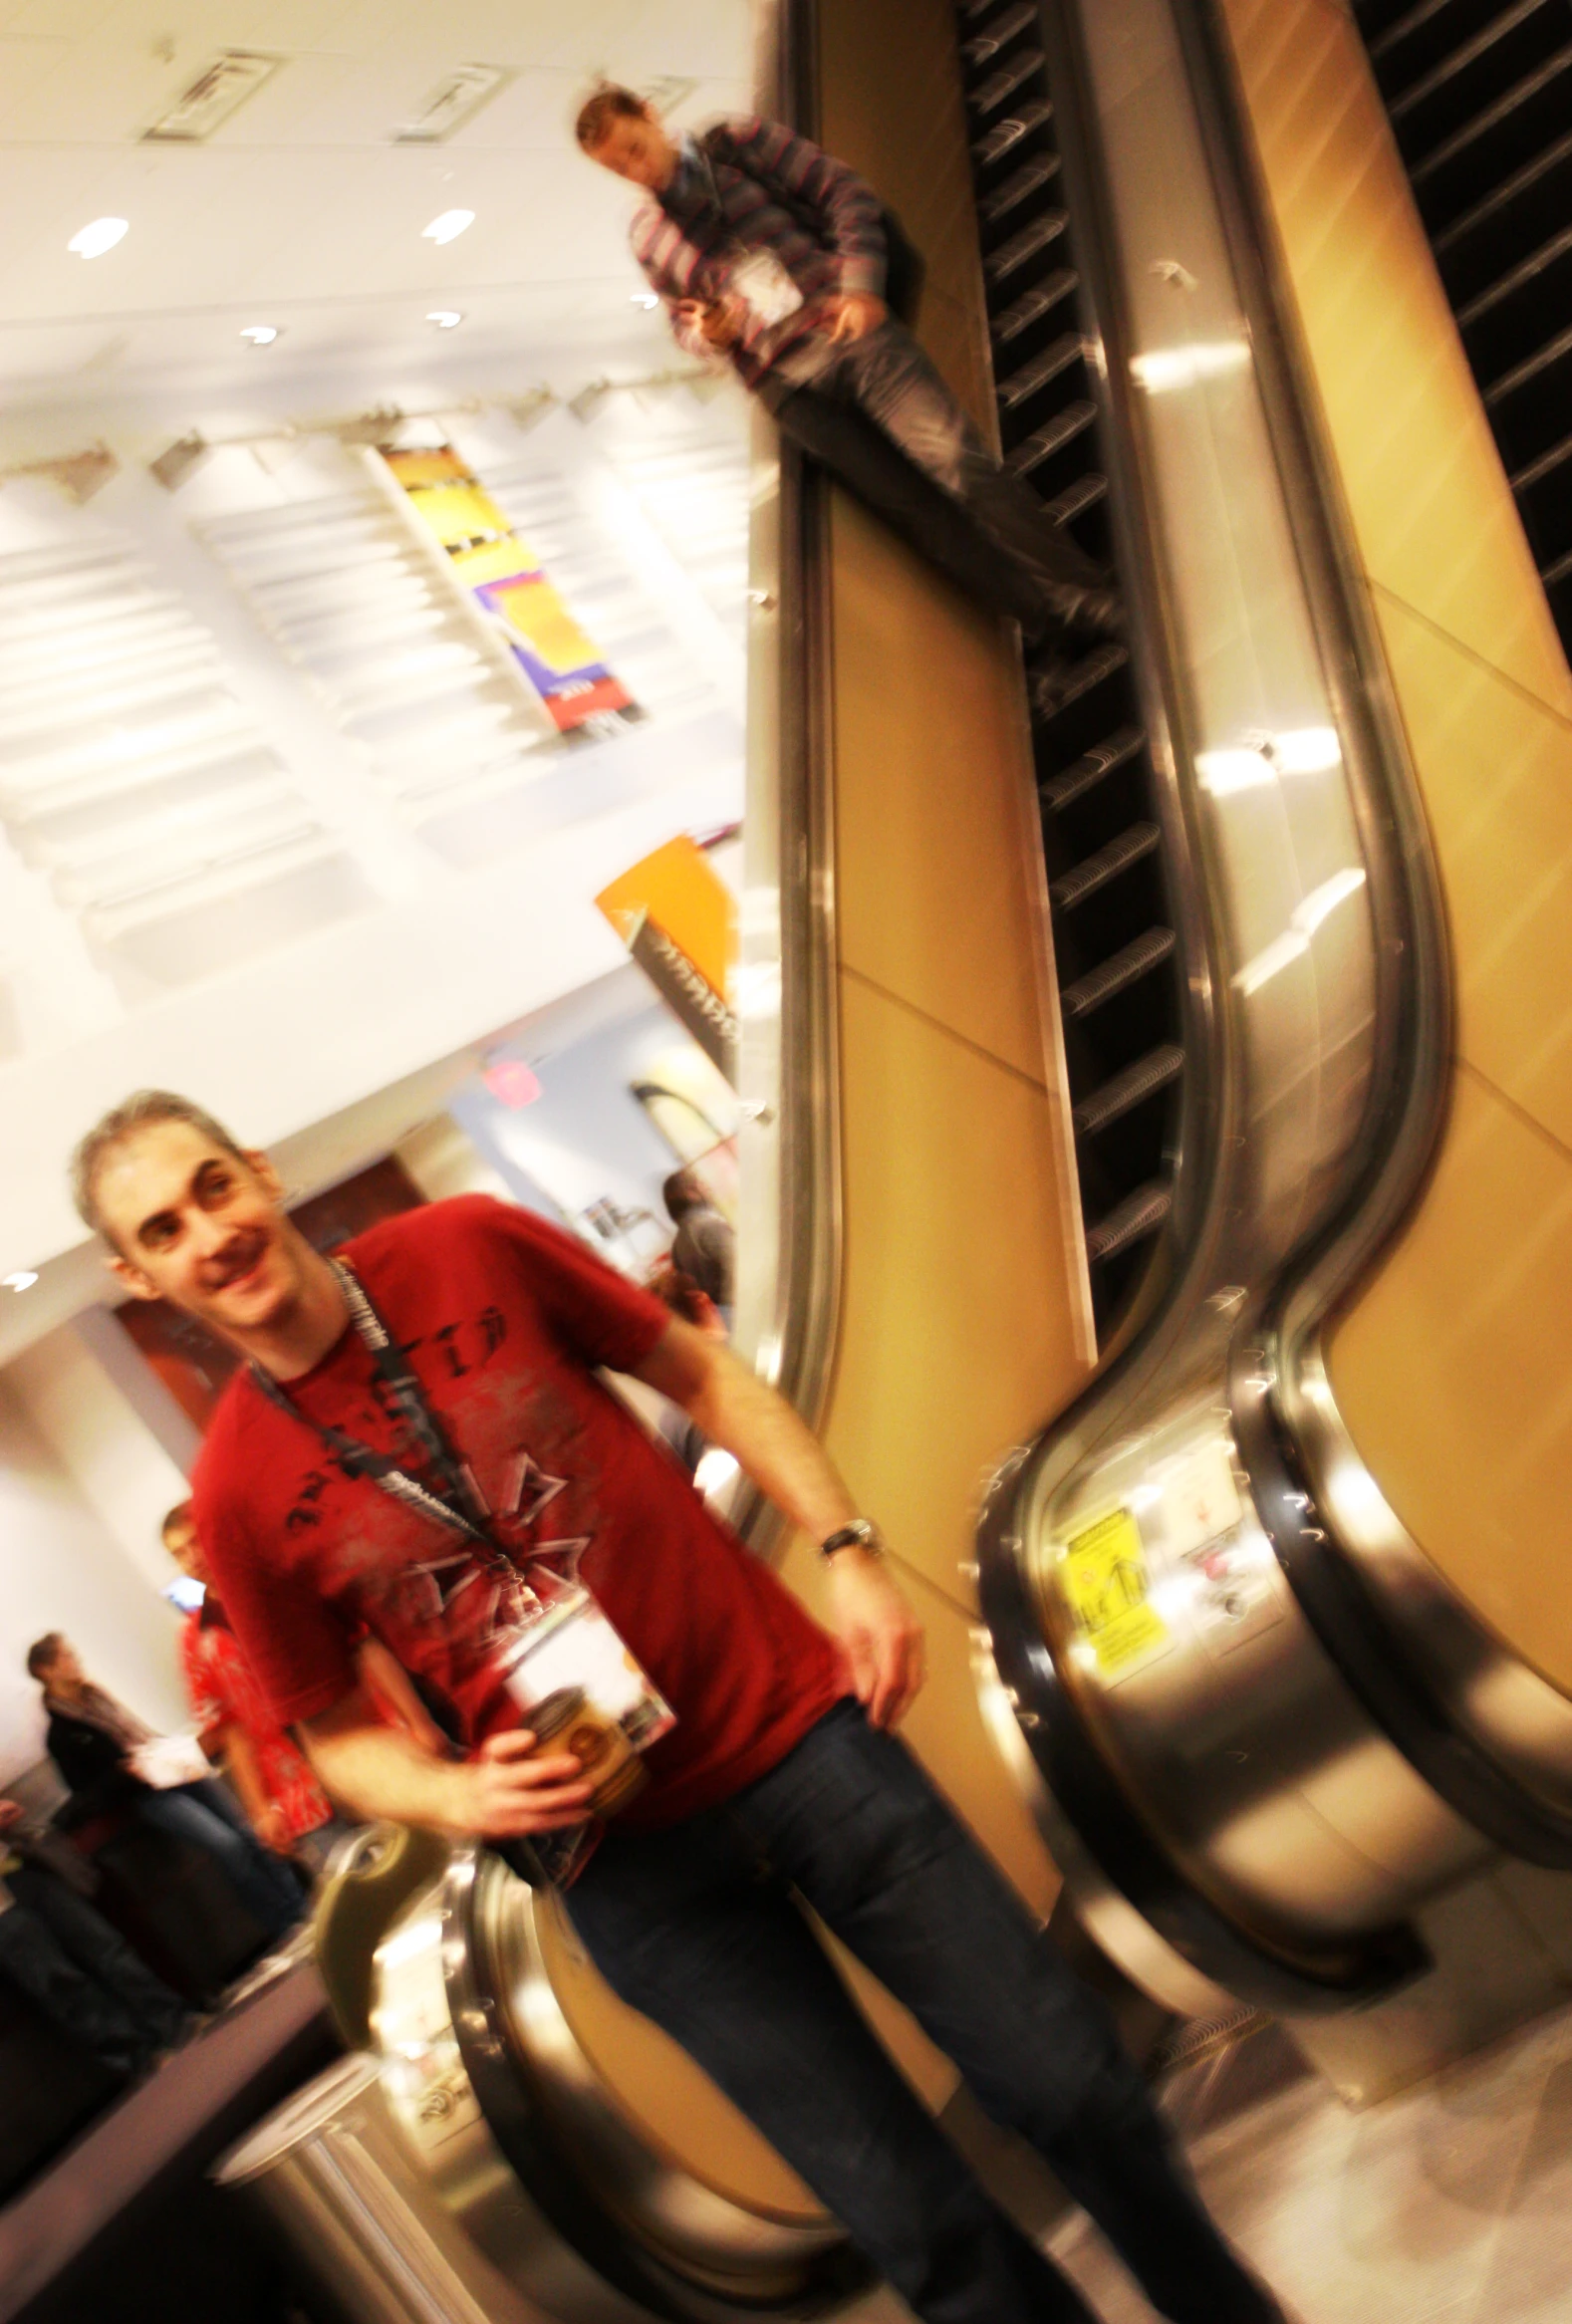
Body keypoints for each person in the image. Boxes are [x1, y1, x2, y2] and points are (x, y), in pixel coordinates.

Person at [70, 1088, 1285, 2324]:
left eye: (210, 1187)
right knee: (923, 2232)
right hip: (630, 1870)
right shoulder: (232, 1492)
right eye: (161, 1230)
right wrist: (459, 1794)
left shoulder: (466, 1244)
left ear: (259, 1171)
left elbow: (701, 1372)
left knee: (1072, 2084)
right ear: (137, 1272)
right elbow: (332, 1741)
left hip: (798, 1741)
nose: (205, 1233)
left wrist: (849, 1546)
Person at [576, 86, 1121, 653]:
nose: (636, 172)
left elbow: (845, 191)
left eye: (635, 150)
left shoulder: (737, 144)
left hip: (852, 337)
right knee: (923, 519)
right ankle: (1052, 620)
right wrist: (707, 334)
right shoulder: (650, 239)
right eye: (618, 168)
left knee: (957, 461)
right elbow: (681, 324)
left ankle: (1093, 597)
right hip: (790, 389)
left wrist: (860, 285)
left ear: (650, 113)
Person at [29, 1634, 302, 1942]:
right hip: (147, 1793)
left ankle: (299, 1905)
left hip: (173, 1767)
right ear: (46, 1671)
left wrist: (170, 1751)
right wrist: (125, 1773)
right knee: (227, 1846)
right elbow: (86, 1792)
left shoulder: (95, 1696)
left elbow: (137, 1733)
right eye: (65, 1657)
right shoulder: (62, 1734)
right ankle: (282, 1919)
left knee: (250, 1832)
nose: (75, 1661)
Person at [163, 1504, 349, 1878]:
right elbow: (232, 1731)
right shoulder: (196, 1640)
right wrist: (261, 1811)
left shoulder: (271, 1583)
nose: (191, 1558)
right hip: (295, 1790)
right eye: (178, 1554)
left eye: (194, 1543)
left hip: (354, 1744)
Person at [0, 1796, 190, 2084]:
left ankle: (175, 2023)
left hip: (18, 1869)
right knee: (60, 1982)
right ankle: (139, 2058)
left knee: (105, 1946)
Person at [660, 1167, 735, 1313]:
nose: (708, 1188)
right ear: (690, 1193)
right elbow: (739, 1271)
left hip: (720, 1317)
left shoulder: (677, 1246)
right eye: (701, 1183)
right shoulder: (709, 1226)